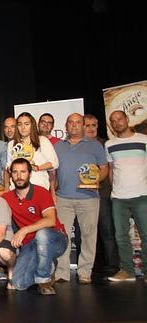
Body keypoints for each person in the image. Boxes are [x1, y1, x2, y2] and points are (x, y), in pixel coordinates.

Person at [53, 113, 108, 284]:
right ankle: (62, 272)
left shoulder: (95, 145)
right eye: (71, 122)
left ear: (83, 125)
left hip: (89, 198)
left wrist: (95, 180)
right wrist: (52, 193)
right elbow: (53, 173)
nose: (74, 125)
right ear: (66, 125)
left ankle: (85, 272)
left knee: (89, 235)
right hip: (63, 198)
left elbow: (104, 168)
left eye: (77, 122)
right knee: (62, 237)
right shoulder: (58, 146)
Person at [2, 158, 67, 295]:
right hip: (31, 244)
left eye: (23, 172)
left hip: (55, 239)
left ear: (30, 174)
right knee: (19, 283)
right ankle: (47, 264)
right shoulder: (7, 197)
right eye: (15, 172)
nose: (19, 176)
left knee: (42, 234)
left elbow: (50, 220)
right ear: (11, 175)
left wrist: (24, 230)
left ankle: (44, 279)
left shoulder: (41, 192)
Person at [105, 110, 147, 282]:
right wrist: (113, 192)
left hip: (142, 194)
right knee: (120, 236)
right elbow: (111, 171)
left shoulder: (143, 140)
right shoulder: (109, 144)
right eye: (113, 121)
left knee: (146, 234)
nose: (117, 123)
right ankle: (127, 271)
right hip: (119, 197)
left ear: (127, 120)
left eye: (120, 119)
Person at [84, 114, 119, 276]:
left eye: (94, 125)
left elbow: (111, 169)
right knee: (87, 232)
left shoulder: (106, 144)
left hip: (102, 193)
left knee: (107, 230)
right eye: (87, 125)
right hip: (82, 195)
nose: (91, 128)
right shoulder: (77, 145)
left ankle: (113, 265)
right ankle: (92, 265)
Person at [5, 112, 58, 191]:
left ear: (32, 125)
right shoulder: (11, 144)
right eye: (20, 124)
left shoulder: (42, 141)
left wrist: (37, 167)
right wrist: (15, 168)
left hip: (39, 186)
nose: (23, 127)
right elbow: (9, 165)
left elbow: (54, 163)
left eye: (26, 124)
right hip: (17, 189)